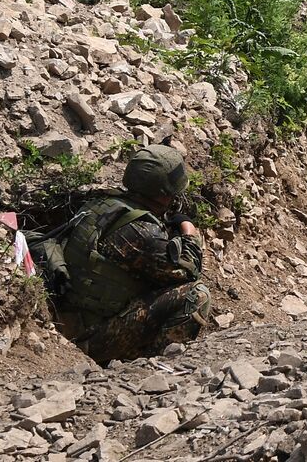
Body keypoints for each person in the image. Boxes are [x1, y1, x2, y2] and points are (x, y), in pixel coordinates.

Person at [55, 145, 211, 363]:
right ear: (164, 191)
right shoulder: (140, 230)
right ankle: (156, 365)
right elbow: (188, 271)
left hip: (72, 321)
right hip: (93, 337)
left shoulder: (102, 204)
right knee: (196, 294)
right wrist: (189, 231)